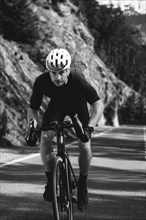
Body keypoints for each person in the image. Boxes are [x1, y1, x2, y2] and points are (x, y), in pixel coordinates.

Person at [27, 48, 104, 211]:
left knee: (85, 145)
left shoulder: (77, 79)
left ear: (68, 69)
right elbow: (33, 109)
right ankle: (50, 183)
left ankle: (82, 185)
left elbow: (98, 104)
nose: (57, 77)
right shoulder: (42, 81)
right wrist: (31, 127)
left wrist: (89, 128)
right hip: (57, 107)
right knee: (45, 139)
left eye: (61, 72)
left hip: (79, 106)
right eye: (53, 73)